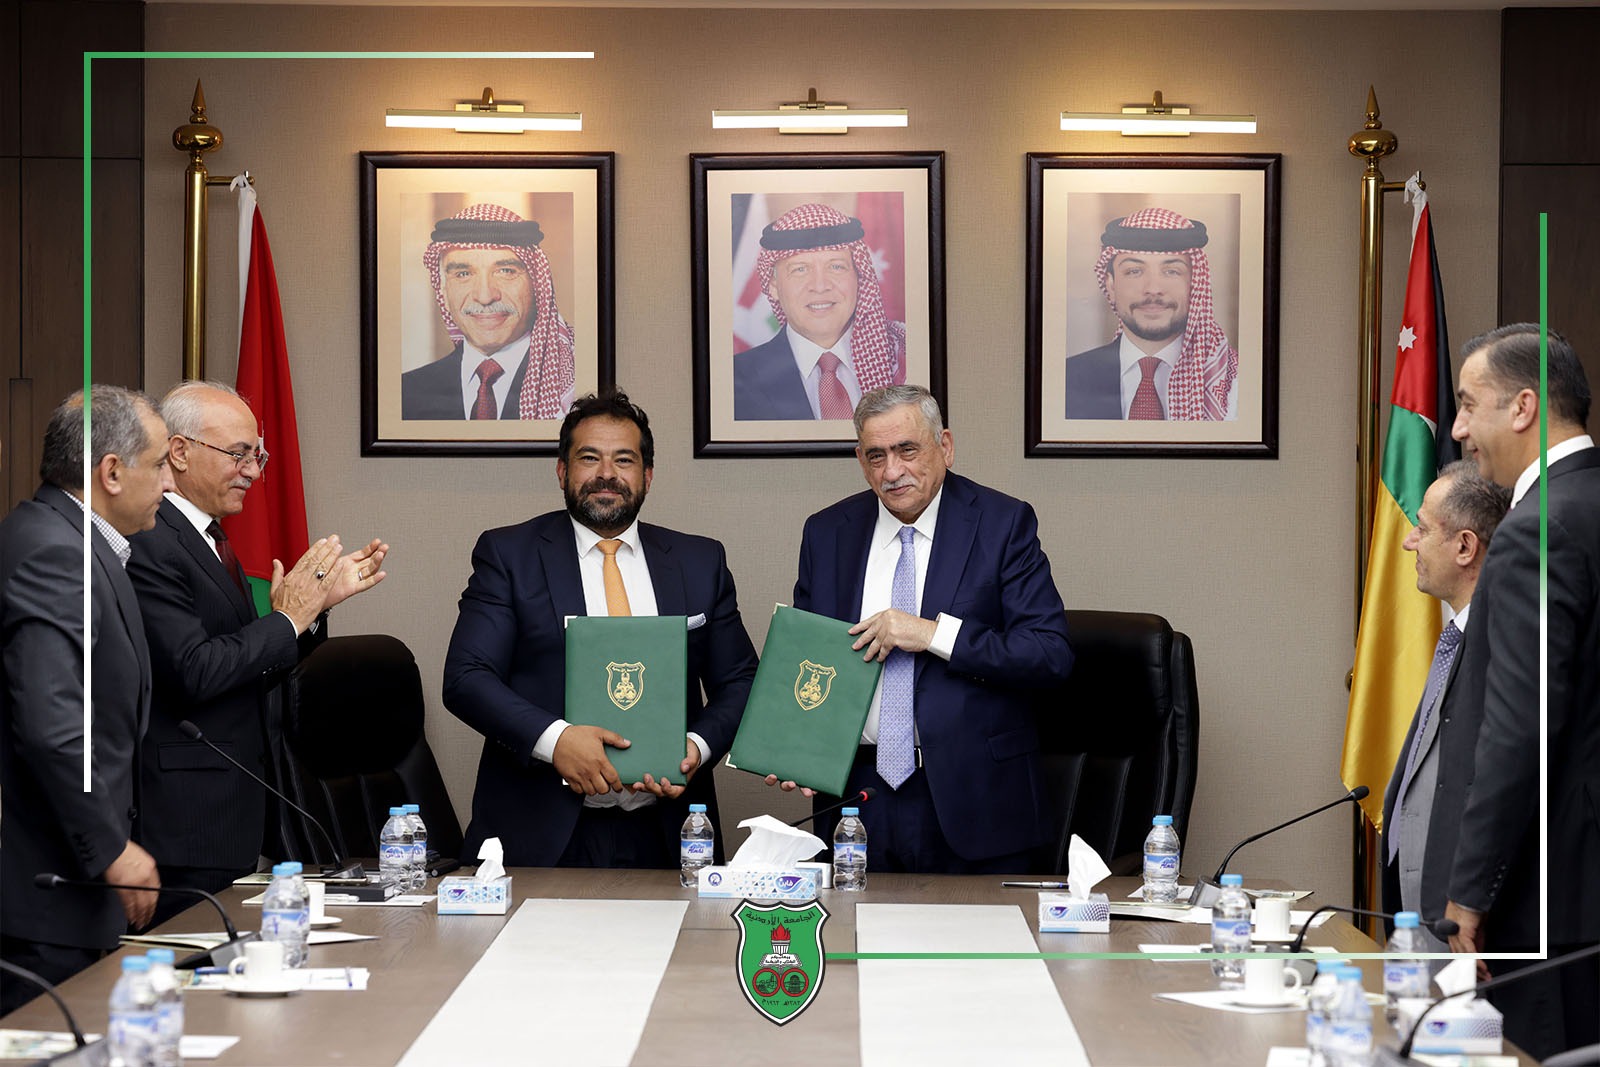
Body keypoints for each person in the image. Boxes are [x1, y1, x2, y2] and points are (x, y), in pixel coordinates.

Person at [443, 389, 758, 867]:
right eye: (589, 458)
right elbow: (466, 677)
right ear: (562, 470)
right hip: (540, 833)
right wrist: (556, 741)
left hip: (667, 833)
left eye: (624, 460)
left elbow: (740, 680)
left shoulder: (699, 561)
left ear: (647, 476)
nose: (606, 473)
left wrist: (695, 747)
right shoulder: (509, 555)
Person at [772, 384, 1073, 873]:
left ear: (944, 446)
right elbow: (811, 656)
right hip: (857, 794)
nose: (892, 472)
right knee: (853, 925)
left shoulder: (1002, 524)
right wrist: (796, 748)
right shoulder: (827, 533)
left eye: (907, 450)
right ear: (860, 460)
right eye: (876, 456)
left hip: (973, 793)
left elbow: (1048, 654)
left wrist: (933, 635)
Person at [127, 381, 388, 920]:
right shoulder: (151, 539)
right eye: (239, 454)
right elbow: (193, 672)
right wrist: (287, 619)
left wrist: (309, 616)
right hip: (182, 822)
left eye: (259, 456)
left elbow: (248, 672)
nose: (253, 471)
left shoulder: (212, 540)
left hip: (232, 813)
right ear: (180, 451)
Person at [1436, 324, 1599, 1059]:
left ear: (1524, 407)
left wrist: (1470, 892)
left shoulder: (1535, 531)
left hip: (1548, 901)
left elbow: (1518, 727)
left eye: (1469, 405)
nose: (1458, 429)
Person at [1, 387, 171, 1012]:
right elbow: (52, 727)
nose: (169, 483)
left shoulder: (72, 540)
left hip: (68, 892)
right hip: (48, 897)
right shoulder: (55, 552)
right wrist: (112, 848)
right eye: (160, 465)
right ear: (112, 472)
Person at [1378, 461, 1510, 949]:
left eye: (1423, 528)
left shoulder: (1501, 646)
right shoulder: (1455, 637)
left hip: (1463, 913)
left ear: (1465, 547)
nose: (1409, 542)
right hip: (1419, 907)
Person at [401, 203, 576, 421]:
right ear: (443, 291)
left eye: (506, 271)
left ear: (537, 285)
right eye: (463, 274)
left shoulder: (574, 386)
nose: (485, 296)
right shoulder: (407, 393)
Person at [734, 202, 906, 421]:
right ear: (773, 286)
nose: (820, 285)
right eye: (800, 269)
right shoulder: (734, 381)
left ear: (859, 277)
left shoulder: (903, 358)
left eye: (836, 266)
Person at [1065, 207, 1238, 421]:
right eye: (1134, 271)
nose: (1153, 289)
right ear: (1110, 285)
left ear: (1194, 284)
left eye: (1171, 271)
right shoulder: (1065, 380)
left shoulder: (1234, 383)